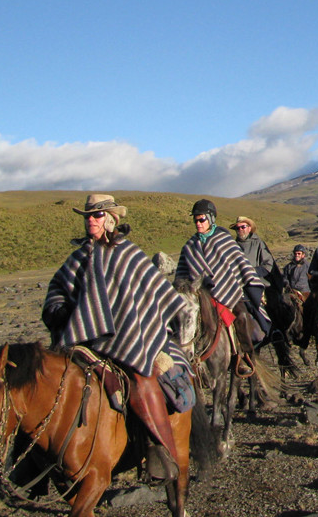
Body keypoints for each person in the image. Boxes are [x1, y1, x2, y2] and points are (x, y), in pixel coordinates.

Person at [42, 194, 188, 482]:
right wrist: (58, 310)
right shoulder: (79, 257)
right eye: (87, 216)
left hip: (130, 339)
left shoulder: (128, 254)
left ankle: (158, 448)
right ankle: (34, 459)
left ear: (110, 219)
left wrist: (160, 326)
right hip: (83, 342)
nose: (90, 221)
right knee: (47, 383)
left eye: (96, 216)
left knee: (142, 381)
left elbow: (158, 291)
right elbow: (58, 287)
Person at [175, 199, 263, 340]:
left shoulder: (223, 239)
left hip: (228, 292)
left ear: (210, 218)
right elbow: (182, 276)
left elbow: (240, 264)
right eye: (195, 221)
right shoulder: (189, 247)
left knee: (242, 317)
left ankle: (247, 356)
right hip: (200, 298)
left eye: (201, 220)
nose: (198, 223)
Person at [229, 215, 275, 337]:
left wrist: (252, 272)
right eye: (237, 228)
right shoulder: (231, 246)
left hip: (257, 283)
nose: (240, 230)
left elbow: (268, 264)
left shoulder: (258, 243)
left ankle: (270, 331)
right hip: (237, 285)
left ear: (249, 228)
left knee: (257, 304)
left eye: (243, 227)